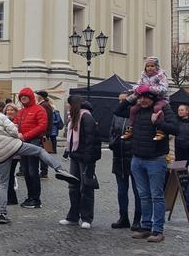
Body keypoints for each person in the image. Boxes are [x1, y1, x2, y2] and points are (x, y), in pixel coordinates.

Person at [0, 97, 79, 225]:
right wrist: (14, 138)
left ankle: (2, 213)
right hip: (15, 145)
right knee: (39, 151)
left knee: (3, 184)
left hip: (0, 155)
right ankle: (59, 169)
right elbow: (13, 130)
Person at [115, 89, 178, 243]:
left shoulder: (163, 109)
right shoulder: (136, 110)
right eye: (140, 98)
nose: (142, 101)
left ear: (153, 99)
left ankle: (158, 230)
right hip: (137, 159)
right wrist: (133, 96)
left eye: (146, 98)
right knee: (143, 195)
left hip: (155, 159)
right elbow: (118, 110)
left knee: (156, 196)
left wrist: (158, 122)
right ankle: (145, 227)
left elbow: (175, 129)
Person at [58, 96, 102, 229]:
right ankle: (73, 216)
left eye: (69, 104)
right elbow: (71, 138)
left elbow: (91, 139)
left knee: (86, 187)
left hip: (85, 157)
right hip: (75, 155)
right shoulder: (74, 117)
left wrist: (89, 159)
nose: (67, 106)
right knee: (73, 187)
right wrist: (68, 151)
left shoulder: (86, 117)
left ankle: (87, 217)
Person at [109, 93, 142, 231]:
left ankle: (137, 219)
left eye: (125, 100)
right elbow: (111, 131)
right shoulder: (117, 115)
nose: (122, 102)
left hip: (134, 157)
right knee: (122, 191)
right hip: (119, 157)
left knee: (138, 191)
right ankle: (123, 217)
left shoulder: (139, 115)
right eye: (121, 100)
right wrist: (113, 143)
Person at [15, 87, 48, 209]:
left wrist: (26, 135)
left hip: (33, 142)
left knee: (33, 171)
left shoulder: (39, 109)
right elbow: (16, 123)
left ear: (30, 97)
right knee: (26, 171)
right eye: (21, 97)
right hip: (22, 143)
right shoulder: (21, 111)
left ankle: (35, 199)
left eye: (25, 97)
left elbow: (42, 126)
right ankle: (30, 197)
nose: (23, 99)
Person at [122, 57, 169, 141]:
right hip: (147, 99)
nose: (150, 68)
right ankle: (130, 129)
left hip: (160, 99)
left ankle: (160, 131)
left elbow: (164, 89)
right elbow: (137, 85)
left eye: (152, 66)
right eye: (148, 66)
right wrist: (137, 89)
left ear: (156, 67)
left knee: (157, 108)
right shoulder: (143, 75)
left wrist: (149, 88)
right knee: (133, 109)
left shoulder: (161, 75)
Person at [4, 103, 20, 205]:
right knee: (5, 175)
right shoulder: (3, 121)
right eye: (8, 110)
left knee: (9, 174)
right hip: (4, 151)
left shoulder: (18, 122)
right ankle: (8, 196)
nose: (9, 111)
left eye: (12, 110)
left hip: (14, 151)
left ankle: (11, 198)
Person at [35, 91, 54, 179]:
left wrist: (44, 133)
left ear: (40, 97)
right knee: (43, 152)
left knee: (43, 152)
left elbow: (44, 121)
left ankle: (44, 172)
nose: (35, 97)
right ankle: (43, 171)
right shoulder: (45, 104)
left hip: (44, 133)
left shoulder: (44, 105)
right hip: (45, 132)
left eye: (37, 96)